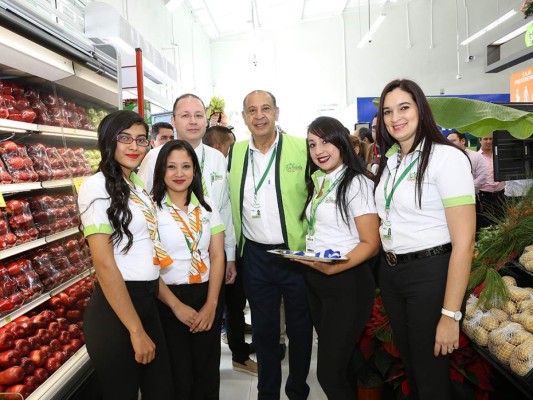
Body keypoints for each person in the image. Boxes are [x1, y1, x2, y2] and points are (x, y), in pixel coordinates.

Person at [137, 94, 254, 373]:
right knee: (174, 359)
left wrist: (228, 256)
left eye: (198, 115)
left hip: (208, 264)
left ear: (206, 120)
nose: (192, 121)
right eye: (185, 115)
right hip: (168, 272)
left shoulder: (216, 158)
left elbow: (223, 209)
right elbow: (143, 210)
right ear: (174, 120)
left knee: (206, 351)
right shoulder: (153, 158)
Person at [374, 79, 475, 400]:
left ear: (421, 109)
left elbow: (464, 241)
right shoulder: (392, 162)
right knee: (414, 370)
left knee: (430, 376)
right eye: (388, 111)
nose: (395, 117)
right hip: (392, 275)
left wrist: (450, 315)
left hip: (430, 275)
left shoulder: (447, 158)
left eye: (404, 107)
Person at [78, 110, 180, 399]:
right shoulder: (95, 187)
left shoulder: (136, 186)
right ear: (109, 140)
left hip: (146, 302)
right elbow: (105, 265)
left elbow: (144, 255)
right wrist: (135, 330)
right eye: (125, 139)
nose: (134, 147)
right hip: (117, 312)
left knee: (162, 390)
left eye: (140, 139)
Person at [227, 90, 313, 399]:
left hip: (296, 255)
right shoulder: (235, 153)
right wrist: (232, 255)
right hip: (256, 256)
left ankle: (298, 389)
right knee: (263, 332)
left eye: (265, 108)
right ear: (244, 117)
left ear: (277, 112)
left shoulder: (301, 148)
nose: (259, 115)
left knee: (300, 329)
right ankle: (268, 393)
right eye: (252, 110)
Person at [295, 116, 379, 399]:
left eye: (326, 141)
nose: (319, 150)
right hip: (318, 280)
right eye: (312, 144)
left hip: (347, 282)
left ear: (342, 141)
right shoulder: (319, 182)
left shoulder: (357, 183)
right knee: (346, 365)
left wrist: (334, 268)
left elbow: (371, 243)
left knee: (328, 373)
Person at [152, 140, 225, 399]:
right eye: (171, 167)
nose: (179, 173)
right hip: (166, 298)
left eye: (186, 166)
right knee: (177, 375)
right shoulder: (151, 210)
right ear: (161, 170)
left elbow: (217, 255)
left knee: (206, 372)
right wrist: (175, 306)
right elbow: (148, 265)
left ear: (195, 170)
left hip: (206, 293)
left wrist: (212, 305)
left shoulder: (207, 207)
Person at [446, 131, 489, 232]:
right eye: (448, 142)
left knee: (474, 229)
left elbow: (482, 177)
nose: (450, 143)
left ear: (463, 141)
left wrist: (465, 189)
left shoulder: (475, 156)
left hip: (472, 199)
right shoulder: (446, 159)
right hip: (452, 201)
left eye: (453, 141)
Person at [478, 133, 506, 229]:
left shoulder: (500, 154)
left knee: (503, 224)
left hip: (501, 195)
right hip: (484, 197)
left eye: (491, 139)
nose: (489, 141)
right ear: (480, 140)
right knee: (486, 226)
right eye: (485, 139)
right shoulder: (476, 157)